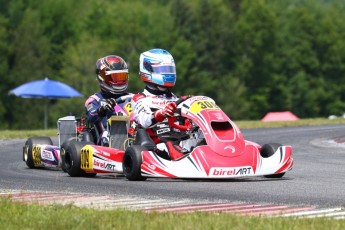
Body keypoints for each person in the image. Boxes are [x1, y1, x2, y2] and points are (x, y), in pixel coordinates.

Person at [132, 48, 187, 160]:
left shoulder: (177, 99)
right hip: (157, 143)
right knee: (169, 145)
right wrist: (161, 113)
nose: (168, 73)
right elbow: (143, 121)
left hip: (181, 140)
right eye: (163, 69)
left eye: (170, 69)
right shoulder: (140, 98)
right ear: (148, 70)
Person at [85, 55, 131, 146]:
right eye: (114, 77)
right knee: (106, 135)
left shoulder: (132, 97)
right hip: (106, 140)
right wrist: (102, 110)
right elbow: (91, 117)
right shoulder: (95, 99)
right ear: (102, 77)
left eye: (121, 76)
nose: (119, 81)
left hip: (132, 134)